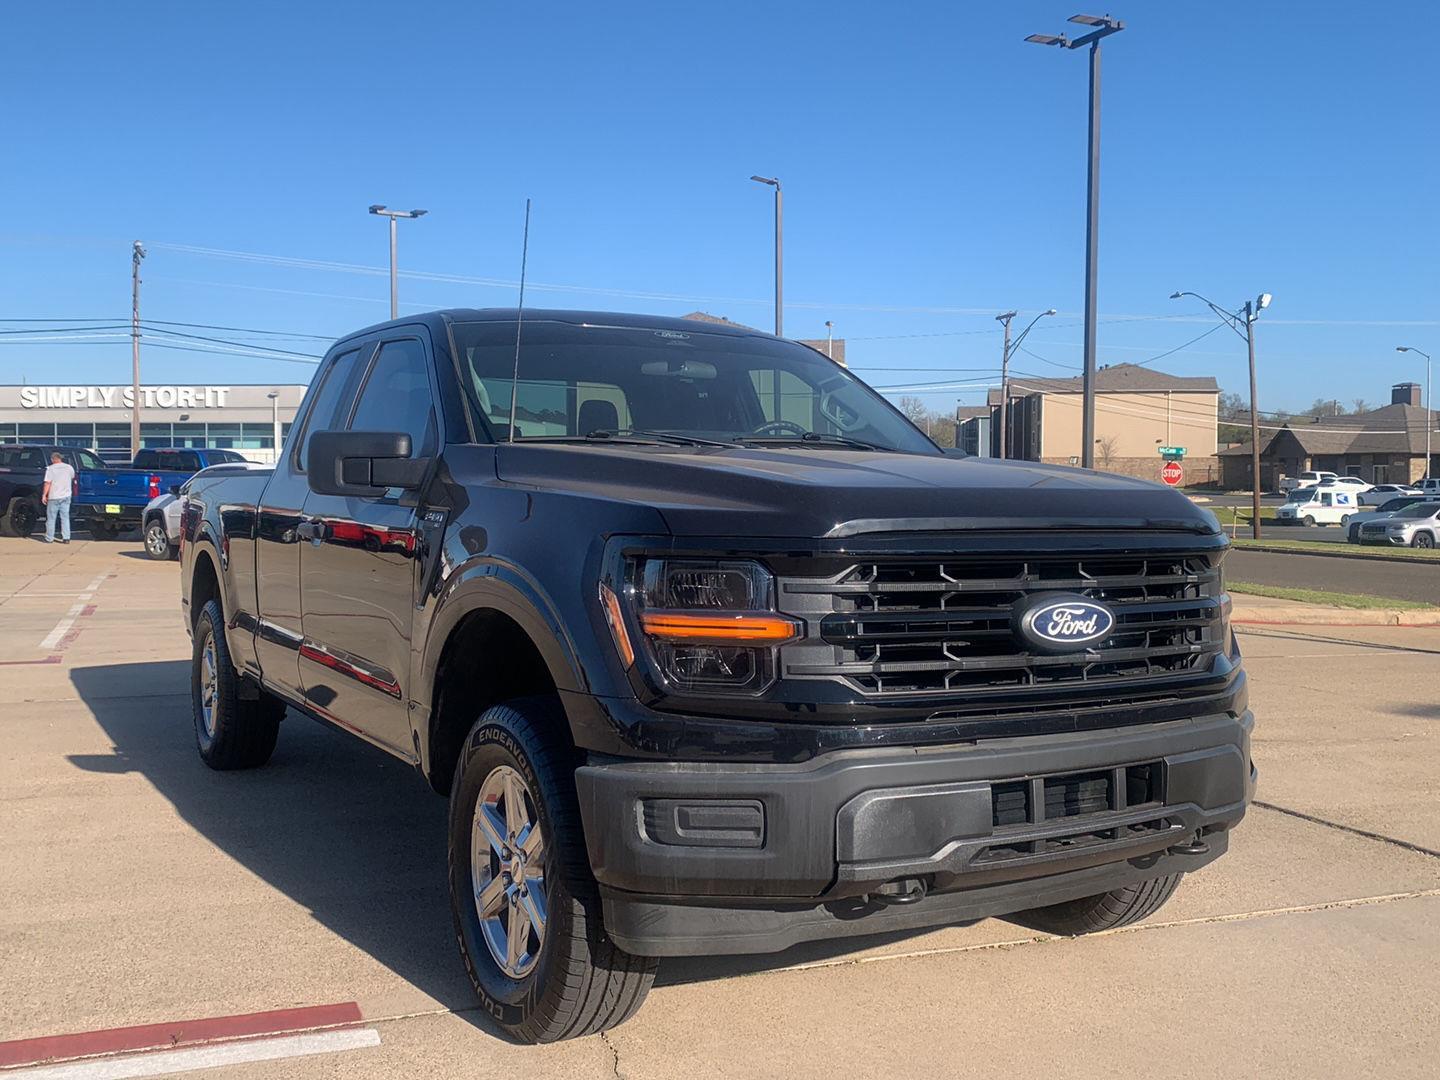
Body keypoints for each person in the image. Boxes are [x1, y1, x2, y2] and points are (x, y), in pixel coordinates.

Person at [42, 452, 76, 544]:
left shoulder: (50, 469)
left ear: (53, 459)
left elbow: (47, 483)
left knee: (51, 518)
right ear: (60, 458)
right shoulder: (69, 467)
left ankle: (49, 538)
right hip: (66, 495)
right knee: (65, 517)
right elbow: (72, 477)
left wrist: (44, 495)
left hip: (54, 496)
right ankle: (66, 537)